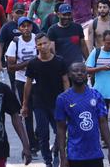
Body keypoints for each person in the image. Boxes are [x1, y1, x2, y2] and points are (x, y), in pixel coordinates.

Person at [55, 62, 110, 167]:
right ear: (69, 74)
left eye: (83, 71)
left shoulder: (96, 95)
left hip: (95, 154)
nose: (79, 73)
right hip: (74, 155)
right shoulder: (63, 98)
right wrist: (63, 156)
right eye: (75, 71)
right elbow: (60, 128)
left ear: (87, 74)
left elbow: (103, 123)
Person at [22, 33, 70, 166]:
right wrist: (25, 104)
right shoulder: (33, 63)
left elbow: (65, 81)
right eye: (39, 44)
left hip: (57, 103)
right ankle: (47, 160)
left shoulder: (59, 61)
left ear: (50, 44)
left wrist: (67, 99)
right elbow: (28, 84)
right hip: (39, 103)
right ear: (36, 46)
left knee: (60, 131)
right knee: (43, 134)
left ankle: (56, 151)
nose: (43, 46)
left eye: (45, 43)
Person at [6, 16, 39, 154]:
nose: (26, 28)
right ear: (19, 28)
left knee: (42, 112)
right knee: (27, 113)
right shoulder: (15, 43)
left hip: (39, 81)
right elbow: (11, 67)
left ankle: (38, 138)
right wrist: (30, 63)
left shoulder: (37, 39)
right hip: (22, 81)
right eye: (23, 26)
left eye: (28, 25)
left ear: (32, 26)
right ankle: (31, 144)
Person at [47, 4, 89, 68]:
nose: (67, 17)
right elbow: (52, 51)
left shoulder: (78, 27)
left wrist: (88, 63)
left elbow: (83, 46)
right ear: (58, 14)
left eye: (69, 15)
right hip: (62, 66)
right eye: (64, 15)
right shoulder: (52, 30)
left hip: (77, 66)